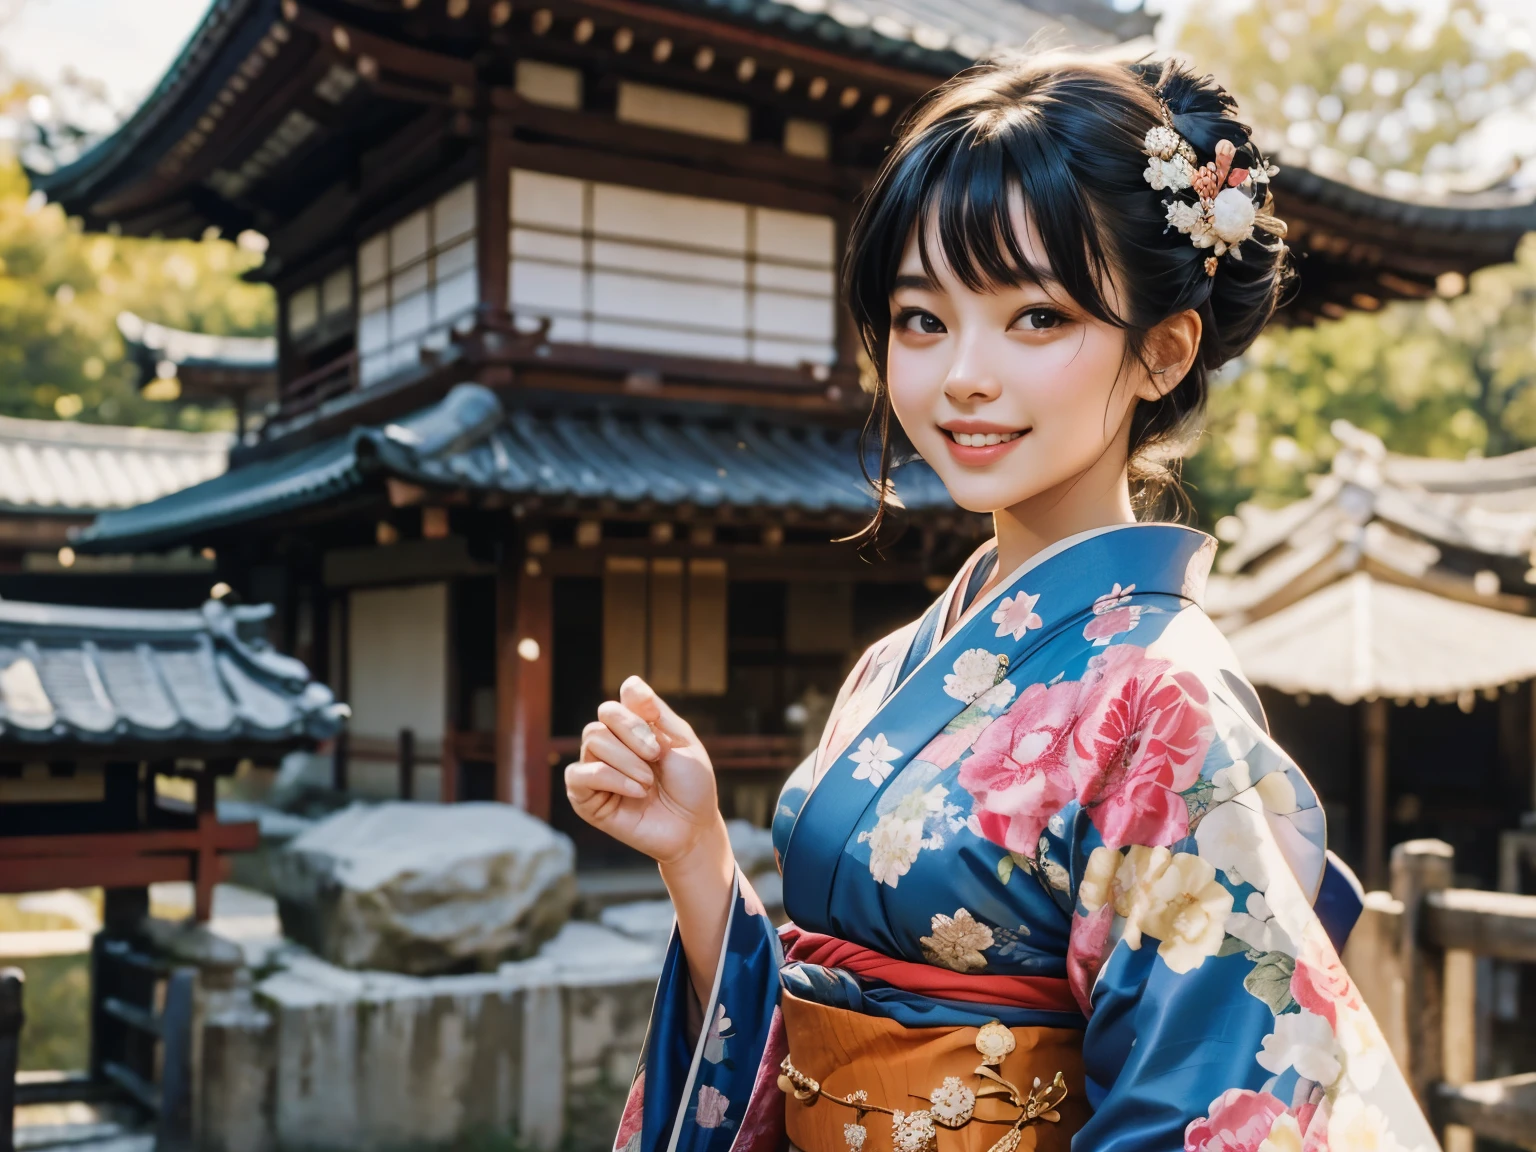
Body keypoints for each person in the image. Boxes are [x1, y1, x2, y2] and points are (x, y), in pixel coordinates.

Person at [566, 51, 1438, 1152]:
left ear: (1162, 351)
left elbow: (1202, 1110)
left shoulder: (1163, 704)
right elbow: (816, 1003)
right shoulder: (893, 664)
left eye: (1035, 319)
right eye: (922, 319)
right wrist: (698, 855)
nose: (963, 375)